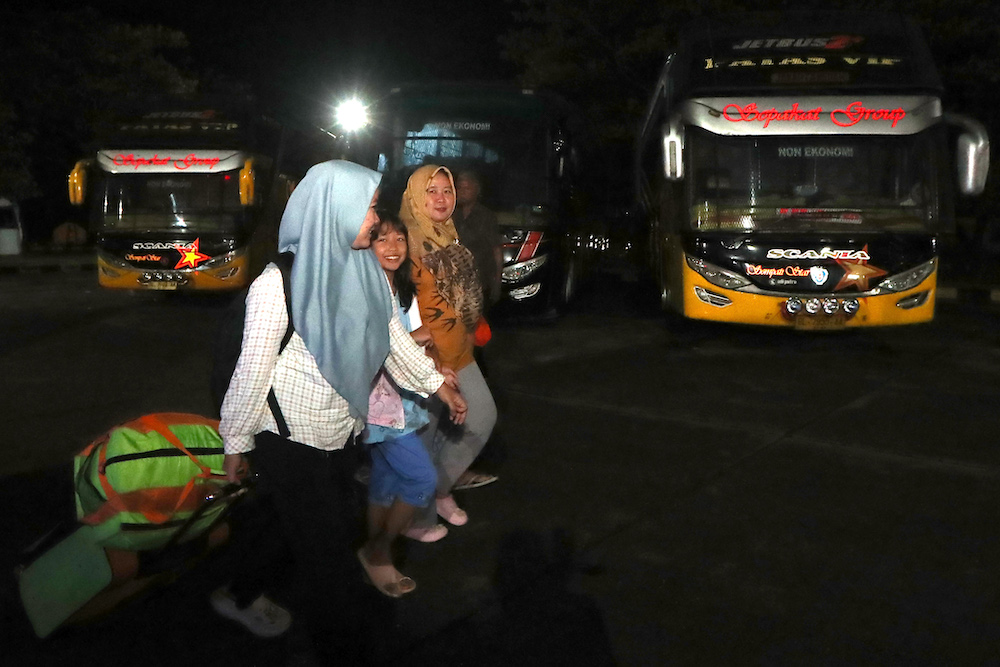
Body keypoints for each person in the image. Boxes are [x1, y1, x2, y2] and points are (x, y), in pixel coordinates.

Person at [216, 160, 467, 661]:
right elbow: (252, 369)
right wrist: (236, 440)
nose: (374, 219)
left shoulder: (366, 272)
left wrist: (437, 384)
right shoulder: (278, 283)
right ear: (334, 209)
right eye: (368, 208)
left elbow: (392, 341)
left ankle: (239, 592)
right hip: (289, 439)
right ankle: (344, 649)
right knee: (329, 555)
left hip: (341, 430)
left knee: (286, 526)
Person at [399, 165, 498, 542]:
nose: (441, 199)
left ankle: (439, 491)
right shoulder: (403, 243)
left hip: (460, 351)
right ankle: (415, 518)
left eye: (447, 190)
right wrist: (425, 352)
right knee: (423, 439)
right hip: (425, 359)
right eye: (432, 191)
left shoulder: (449, 235)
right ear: (415, 197)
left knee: (481, 417)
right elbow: (399, 309)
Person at [358, 212, 455, 596]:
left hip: (401, 400)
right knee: (421, 478)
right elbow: (378, 346)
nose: (393, 247)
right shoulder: (365, 289)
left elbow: (413, 343)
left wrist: (437, 368)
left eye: (399, 239)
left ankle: (373, 554)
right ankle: (378, 551)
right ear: (366, 244)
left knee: (385, 480)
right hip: (380, 406)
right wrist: (417, 338)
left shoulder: (398, 287)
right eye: (382, 239)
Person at [454, 169, 503, 308]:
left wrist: (497, 282)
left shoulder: (486, 216)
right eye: (459, 188)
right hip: (455, 283)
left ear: (477, 190)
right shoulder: (450, 214)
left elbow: (497, 251)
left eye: (466, 188)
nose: (462, 192)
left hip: (480, 282)